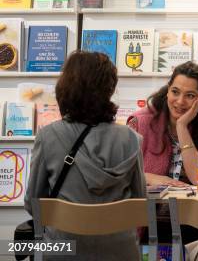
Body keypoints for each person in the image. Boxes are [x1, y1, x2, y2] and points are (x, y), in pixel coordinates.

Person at [25, 51, 146, 260]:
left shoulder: (47, 136)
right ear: (109, 89)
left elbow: (33, 204)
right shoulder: (131, 138)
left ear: (65, 86)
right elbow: (139, 202)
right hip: (120, 251)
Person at [128, 61, 198, 187]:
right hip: (149, 205)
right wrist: (148, 177)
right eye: (175, 92)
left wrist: (182, 126)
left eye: (190, 95)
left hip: (192, 205)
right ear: (168, 90)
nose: (180, 101)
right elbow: (121, 175)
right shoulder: (139, 122)